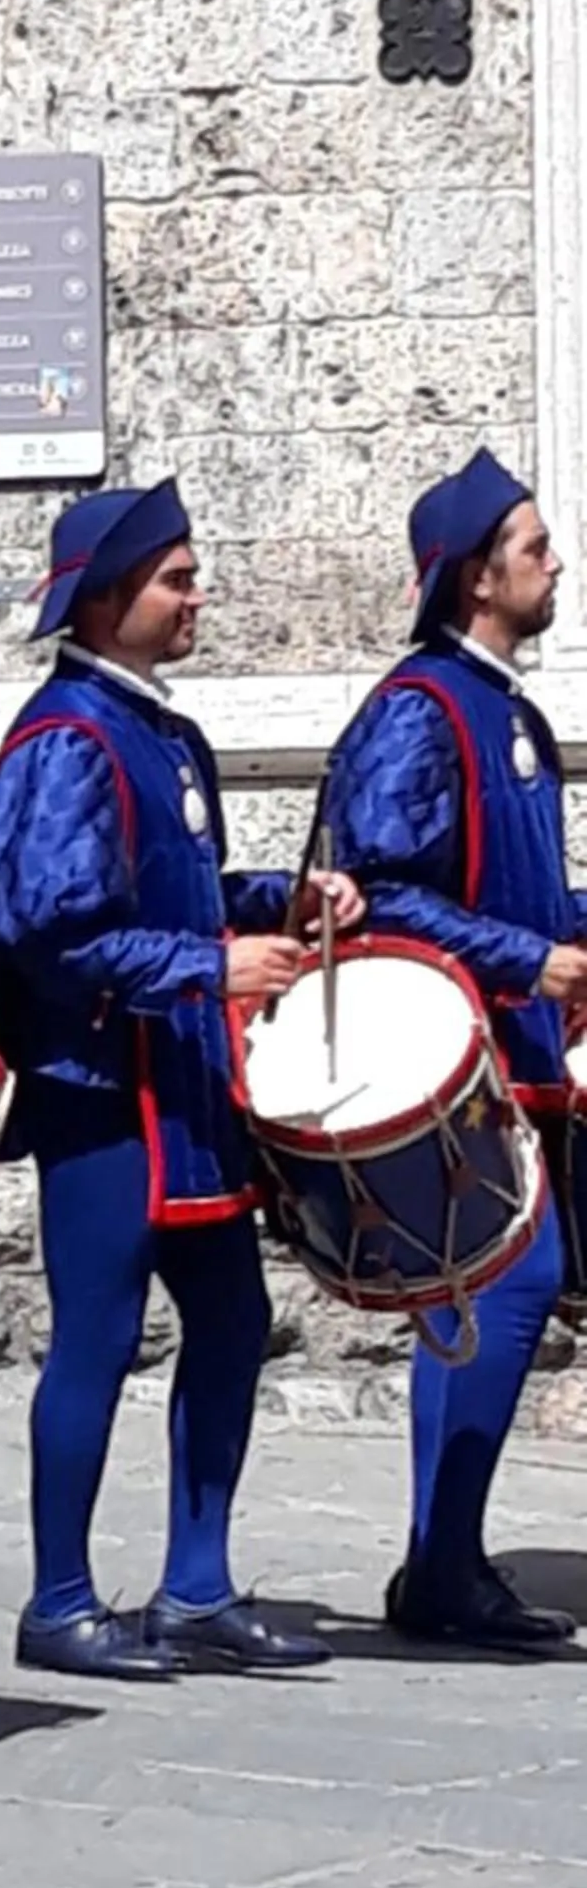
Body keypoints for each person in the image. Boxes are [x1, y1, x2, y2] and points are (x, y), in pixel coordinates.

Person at [0, 481, 356, 1679]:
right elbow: (44, 929)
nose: (199, 595)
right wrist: (212, 963)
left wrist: (274, 905)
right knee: (96, 1333)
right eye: (176, 578)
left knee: (234, 1319)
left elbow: (166, 890)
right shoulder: (66, 740)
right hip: (101, 1084)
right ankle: (59, 1599)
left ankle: (196, 1584)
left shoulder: (161, 734)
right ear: (110, 597)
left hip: (181, 1078)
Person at [321, 451, 586, 1651]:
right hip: (452, 1062)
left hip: (518, 1051)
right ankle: (441, 1564)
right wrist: (527, 962)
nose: (556, 564)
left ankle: (444, 1561)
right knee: (505, 1289)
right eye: (535, 548)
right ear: (479, 577)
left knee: (480, 1299)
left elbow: (521, 888)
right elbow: (376, 891)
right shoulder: (418, 712)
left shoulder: (507, 710)